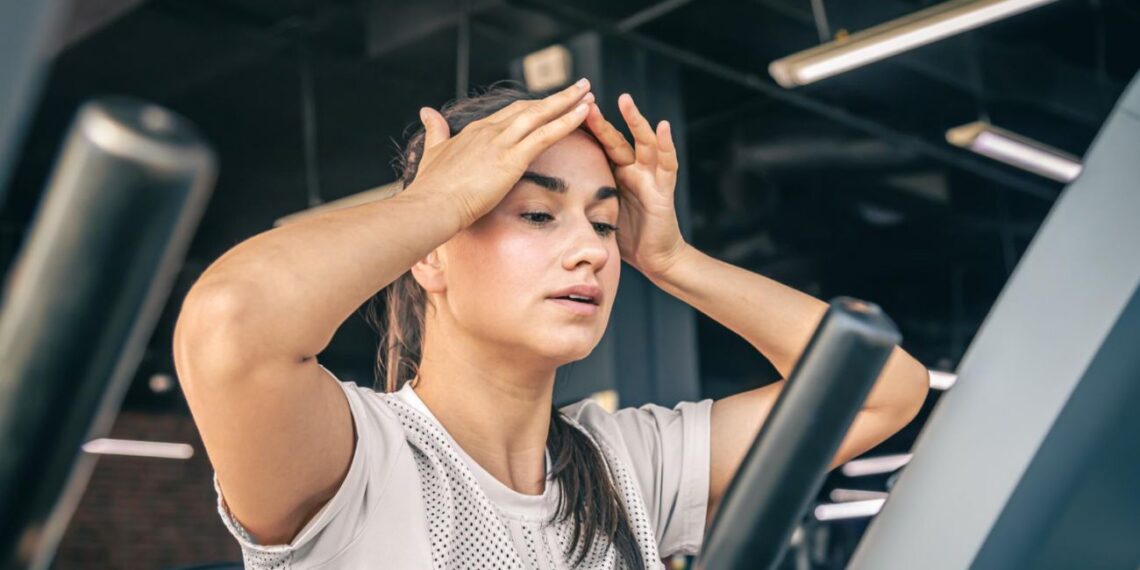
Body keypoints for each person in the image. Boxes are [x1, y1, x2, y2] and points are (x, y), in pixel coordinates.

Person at [172, 78, 930, 569]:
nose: (588, 252)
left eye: (603, 226)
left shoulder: (632, 466)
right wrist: (434, 206)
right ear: (432, 257)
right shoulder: (359, 461)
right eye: (537, 213)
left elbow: (883, 389)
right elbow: (232, 325)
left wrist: (671, 260)